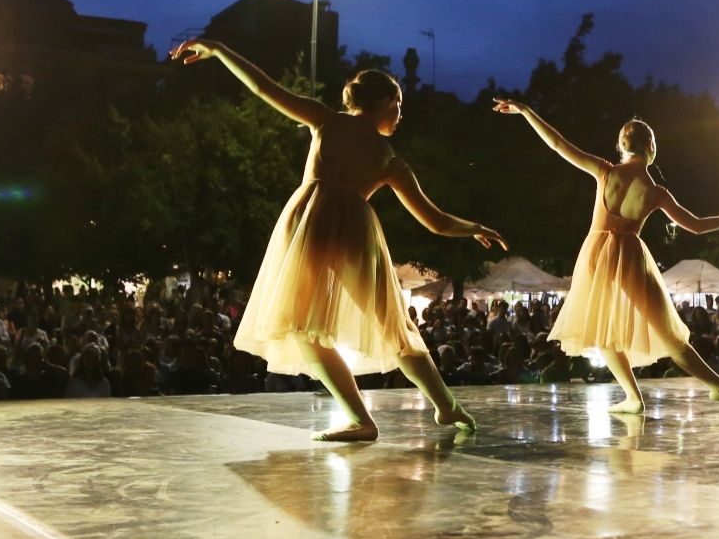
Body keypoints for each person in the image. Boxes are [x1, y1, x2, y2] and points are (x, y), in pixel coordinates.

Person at [171, 38, 507, 441]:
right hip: (351, 232)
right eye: (399, 105)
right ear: (384, 101)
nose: (401, 115)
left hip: (312, 221)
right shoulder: (386, 157)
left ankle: (367, 418)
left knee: (305, 327)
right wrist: (472, 227)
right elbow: (434, 221)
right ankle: (444, 405)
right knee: (392, 328)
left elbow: (263, 88)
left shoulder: (329, 122)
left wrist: (220, 50)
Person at [492, 102, 719, 413]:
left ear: (621, 145)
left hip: (597, 255)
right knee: (670, 335)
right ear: (651, 148)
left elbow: (557, 144)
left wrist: (526, 111)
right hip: (631, 258)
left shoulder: (606, 172)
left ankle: (634, 398)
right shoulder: (656, 191)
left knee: (601, 331)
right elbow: (698, 226)